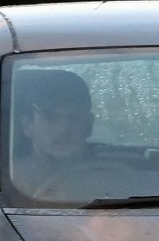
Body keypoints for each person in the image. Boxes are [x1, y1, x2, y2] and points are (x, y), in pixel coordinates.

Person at [8, 69, 103, 201]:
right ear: (27, 125)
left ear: (89, 125)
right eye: (51, 117)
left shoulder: (114, 175)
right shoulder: (7, 184)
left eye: (75, 118)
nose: (64, 128)